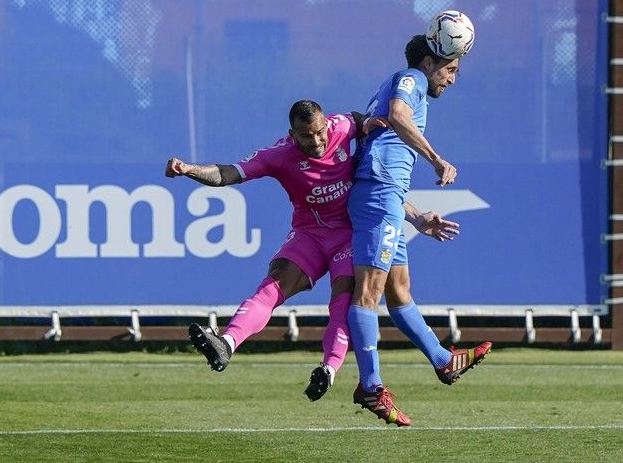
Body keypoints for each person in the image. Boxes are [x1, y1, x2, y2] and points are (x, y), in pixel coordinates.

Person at [165, 100, 460, 402]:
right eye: (307, 136)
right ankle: (226, 343)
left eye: (320, 132)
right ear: (292, 135)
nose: (317, 141)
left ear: (326, 124)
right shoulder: (279, 155)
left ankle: (328, 370)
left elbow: (378, 183)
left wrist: (367, 124)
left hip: (349, 237)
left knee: (343, 303)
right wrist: (189, 169)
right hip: (309, 235)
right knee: (272, 287)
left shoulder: (343, 127)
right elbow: (228, 173)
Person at [347, 36, 493, 426]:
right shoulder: (410, 79)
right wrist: (436, 159)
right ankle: (371, 385)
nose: (452, 79)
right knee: (369, 290)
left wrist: (414, 217)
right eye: (450, 70)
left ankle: (444, 361)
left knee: (398, 290)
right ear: (429, 63)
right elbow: (397, 114)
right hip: (379, 196)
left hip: (386, 197)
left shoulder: (410, 87)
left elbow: (384, 173)